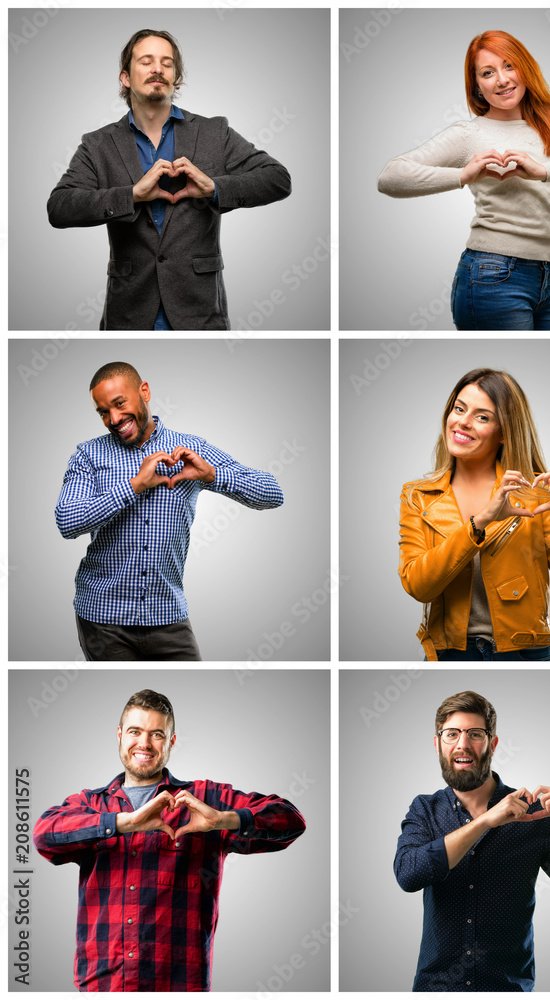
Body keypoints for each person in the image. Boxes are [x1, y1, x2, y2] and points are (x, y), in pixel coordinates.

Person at [33, 689, 306, 991]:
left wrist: (223, 819)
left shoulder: (204, 799)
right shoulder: (91, 804)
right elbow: (45, 835)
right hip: (103, 986)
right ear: (120, 735)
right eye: (135, 731)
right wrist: (125, 823)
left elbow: (290, 820)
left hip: (178, 986)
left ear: (172, 742)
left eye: (157, 734)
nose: (144, 743)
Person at [377, 29, 550, 330]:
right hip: (492, 274)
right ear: (478, 86)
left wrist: (542, 171)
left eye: (509, 65)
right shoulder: (469, 134)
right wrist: (463, 175)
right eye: (488, 72)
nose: (502, 79)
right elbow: (391, 177)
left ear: (525, 69)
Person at [47, 29, 291, 330]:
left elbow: (278, 179)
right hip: (128, 317)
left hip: (201, 316)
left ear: (176, 78)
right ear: (125, 78)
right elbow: (59, 207)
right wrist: (132, 195)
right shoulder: (98, 145)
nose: (157, 69)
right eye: (146, 61)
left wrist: (214, 188)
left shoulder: (215, 133)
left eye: (167, 63)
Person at [56, 361, 284, 660]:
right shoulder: (89, 454)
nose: (114, 418)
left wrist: (213, 475)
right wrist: (135, 485)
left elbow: (273, 494)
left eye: (119, 403)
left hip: (168, 616)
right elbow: (67, 521)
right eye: (103, 412)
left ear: (144, 392)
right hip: (102, 619)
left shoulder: (190, 447)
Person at [394, 690, 550, 991]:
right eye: (451, 734)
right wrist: (486, 821)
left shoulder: (532, 815)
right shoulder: (425, 810)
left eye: (475, 734)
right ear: (437, 743)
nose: (462, 744)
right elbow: (408, 874)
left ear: (492, 744)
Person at [398, 368, 550, 660]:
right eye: (459, 408)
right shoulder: (418, 495)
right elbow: (419, 586)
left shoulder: (534, 492)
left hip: (528, 654)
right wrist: (480, 522)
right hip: (451, 655)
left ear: (504, 432)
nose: (463, 422)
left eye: (482, 417)